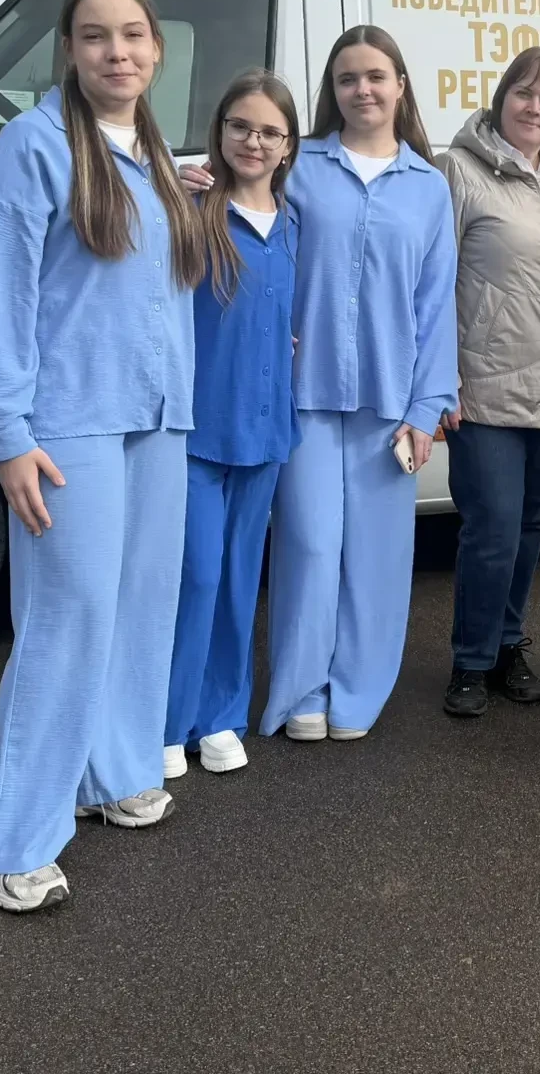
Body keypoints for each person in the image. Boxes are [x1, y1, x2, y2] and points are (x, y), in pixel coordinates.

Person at [0, 0, 206, 914]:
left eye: (134, 34)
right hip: (70, 424)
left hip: (156, 417)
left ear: (157, 49)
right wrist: (9, 435)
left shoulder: (154, 156)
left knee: (141, 607)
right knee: (66, 623)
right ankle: (10, 838)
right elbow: (3, 306)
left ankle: (114, 771)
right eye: (97, 35)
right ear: (67, 50)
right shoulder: (28, 150)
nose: (118, 52)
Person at [259, 27, 458, 742]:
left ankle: (358, 693)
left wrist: (427, 408)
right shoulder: (297, 166)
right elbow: (253, 241)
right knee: (310, 546)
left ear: (401, 85)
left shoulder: (428, 187)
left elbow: (437, 304)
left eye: (376, 76)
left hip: (389, 400)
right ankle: (302, 689)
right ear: (332, 90)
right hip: (304, 393)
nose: (363, 89)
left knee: (377, 559)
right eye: (348, 78)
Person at [438, 46, 540, 717]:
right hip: (484, 384)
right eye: (524, 93)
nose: (535, 108)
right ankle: (471, 662)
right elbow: (433, 281)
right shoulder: (459, 171)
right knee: (494, 528)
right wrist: (439, 377)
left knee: (531, 523)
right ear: (502, 97)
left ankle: (507, 645)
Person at [162, 72, 300, 781]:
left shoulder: (294, 224)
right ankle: (166, 722)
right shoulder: (189, 210)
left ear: (288, 146)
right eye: (241, 126)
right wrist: (164, 181)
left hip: (266, 432)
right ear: (219, 132)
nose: (254, 141)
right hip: (196, 431)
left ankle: (220, 715)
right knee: (195, 575)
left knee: (241, 580)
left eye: (270, 131)